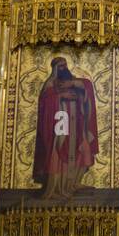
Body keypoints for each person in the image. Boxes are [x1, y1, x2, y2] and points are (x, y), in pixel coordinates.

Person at [32, 58, 98, 197]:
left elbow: (86, 86)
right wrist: (60, 95)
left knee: (84, 150)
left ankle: (74, 183)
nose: (64, 68)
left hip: (77, 125)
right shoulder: (50, 83)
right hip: (60, 126)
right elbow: (44, 102)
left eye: (65, 65)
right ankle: (56, 189)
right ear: (55, 69)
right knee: (58, 156)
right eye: (60, 66)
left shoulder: (73, 81)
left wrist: (73, 84)